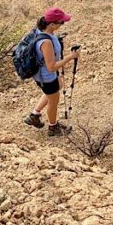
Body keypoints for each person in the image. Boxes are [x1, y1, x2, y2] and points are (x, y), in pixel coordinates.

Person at [23, 7, 80, 136]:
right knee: (53, 103)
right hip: (47, 77)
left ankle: (35, 114)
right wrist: (70, 57)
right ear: (52, 24)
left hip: (43, 75)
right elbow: (51, 67)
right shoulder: (46, 42)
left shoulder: (41, 31)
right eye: (61, 22)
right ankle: (53, 127)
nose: (62, 24)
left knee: (57, 87)